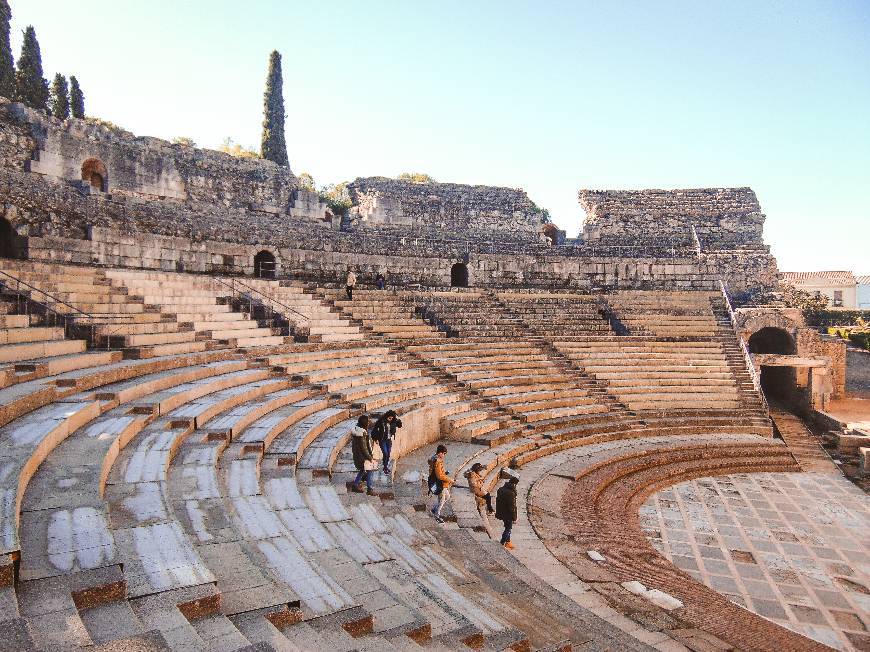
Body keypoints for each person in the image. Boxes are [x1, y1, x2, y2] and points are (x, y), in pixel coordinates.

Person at [464, 462, 495, 538]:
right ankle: (490, 510)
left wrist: (480, 479)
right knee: (488, 496)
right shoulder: (472, 474)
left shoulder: (474, 473)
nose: (480, 471)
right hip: (476, 489)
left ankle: (489, 509)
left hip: (478, 488)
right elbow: (473, 484)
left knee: (488, 495)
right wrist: (480, 480)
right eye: (479, 469)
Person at [351, 415, 378, 495]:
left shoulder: (359, 430)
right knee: (370, 470)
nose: (369, 423)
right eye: (368, 421)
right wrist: (370, 458)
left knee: (363, 470)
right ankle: (370, 489)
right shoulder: (361, 434)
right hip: (362, 457)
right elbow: (364, 448)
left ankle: (355, 485)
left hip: (359, 455)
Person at [427, 444, 453, 523]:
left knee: (447, 496)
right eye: (444, 453)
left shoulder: (435, 459)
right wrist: (450, 480)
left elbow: (437, 473)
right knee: (441, 499)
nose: (444, 455)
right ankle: (437, 515)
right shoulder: (437, 461)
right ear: (440, 453)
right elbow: (439, 476)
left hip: (439, 482)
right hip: (439, 483)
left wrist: (445, 473)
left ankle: (434, 509)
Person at [495, 469, 519, 550]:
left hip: (501, 511)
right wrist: (514, 517)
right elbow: (512, 507)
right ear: (515, 485)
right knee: (508, 528)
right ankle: (501, 543)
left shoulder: (500, 489)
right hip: (507, 514)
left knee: (507, 527)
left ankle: (508, 542)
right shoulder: (511, 493)